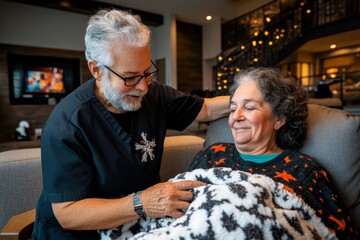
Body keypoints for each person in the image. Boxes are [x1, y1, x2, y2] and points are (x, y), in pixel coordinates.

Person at [32, 9, 229, 239]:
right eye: (130, 77)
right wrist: (142, 203)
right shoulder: (67, 124)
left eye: (147, 73)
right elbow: (68, 213)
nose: (143, 87)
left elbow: (204, 109)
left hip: (138, 227)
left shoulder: (155, 95)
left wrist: (252, 99)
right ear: (96, 69)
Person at [188, 67, 358, 239]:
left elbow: (341, 234)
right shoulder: (211, 155)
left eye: (248, 107)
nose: (235, 117)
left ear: (279, 118)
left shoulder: (303, 170)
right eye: (233, 109)